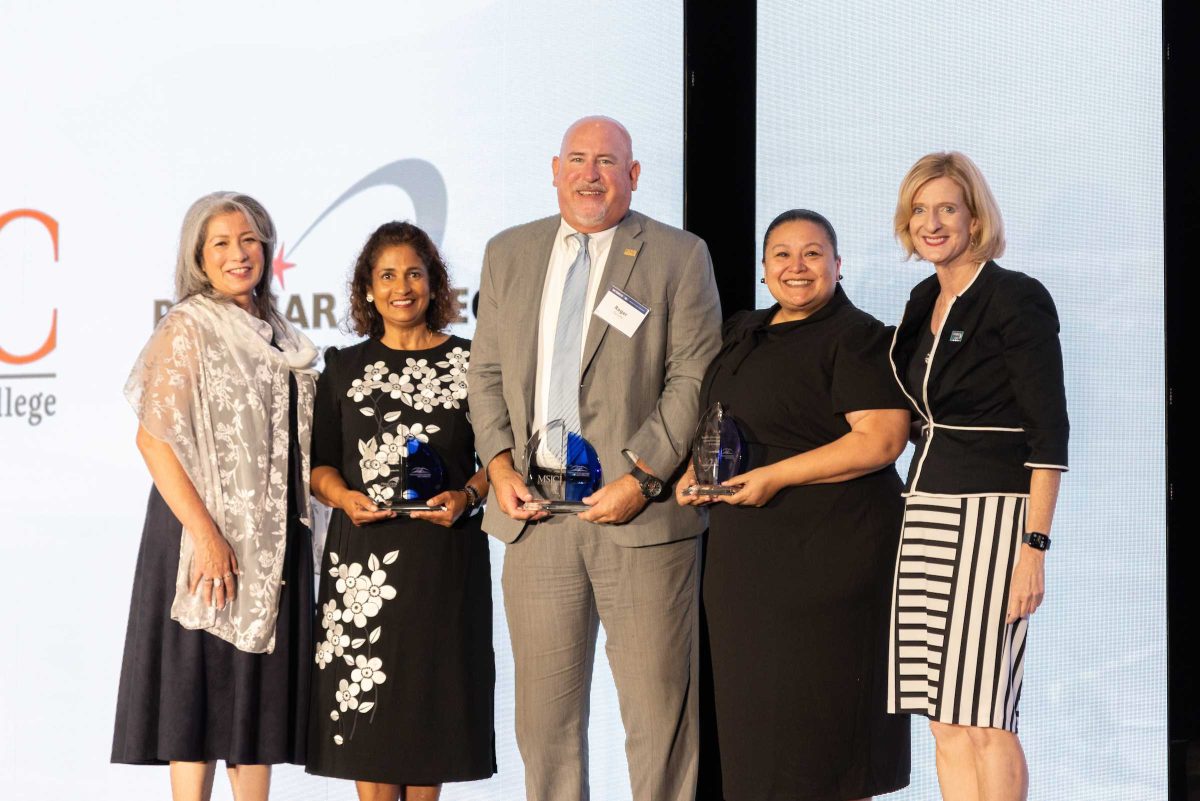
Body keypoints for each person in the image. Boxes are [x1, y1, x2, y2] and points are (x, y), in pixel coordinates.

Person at [468, 115, 722, 801]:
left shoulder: (678, 255)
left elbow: (694, 376)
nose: (590, 174)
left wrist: (642, 478)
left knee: (658, 719)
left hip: (640, 519)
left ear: (633, 175)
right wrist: (497, 468)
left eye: (607, 161)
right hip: (535, 514)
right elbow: (485, 373)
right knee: (544, 725)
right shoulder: (508, 253)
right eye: (577, 159)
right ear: (555, 170)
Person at [679, 209, 912, 801]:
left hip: (830, 562)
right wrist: (692, 473)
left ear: (839, 265)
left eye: (813, 253)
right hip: (748, 564)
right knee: (756, 737)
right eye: (782, 254)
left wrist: (774, 476)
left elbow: (881, 439)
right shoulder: (743, 331)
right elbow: (720, 423)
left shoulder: (859, 336)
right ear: (763, 270)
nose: (797, 266)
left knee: (822, 743)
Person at [111, 192, 318, 801]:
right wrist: (207, 537)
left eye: (249, 239)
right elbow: (154, 442)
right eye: (221, 243)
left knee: (257, 703)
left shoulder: (285, 337)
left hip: (273, 535)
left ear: (267, 246)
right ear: (199, 257)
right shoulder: (188, 326)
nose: (239, 253)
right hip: (199, 533)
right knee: (196, 697)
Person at [885, 152, 1068, 801]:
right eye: (920, 210)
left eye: (947, 209)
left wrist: (1034, 548)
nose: (932, 222)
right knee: (944, 717)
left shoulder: (1015, 297)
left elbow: (1050, 436)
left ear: (974, 216)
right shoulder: (922, 298)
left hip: (994, 517)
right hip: (925, 511)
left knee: (986, 713)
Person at [305, 221, 494, 801]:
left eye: (414, 273)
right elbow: (320, 468)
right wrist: (344, 499)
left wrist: (469, 495)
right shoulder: (342, 366)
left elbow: (499, 460)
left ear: (435, 284)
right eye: (386, 275)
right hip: (363, 567)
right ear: (367, 288)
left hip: (444, 562)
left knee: (428, 715)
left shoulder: (474, 363)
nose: (401, 286)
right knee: (374, 725)